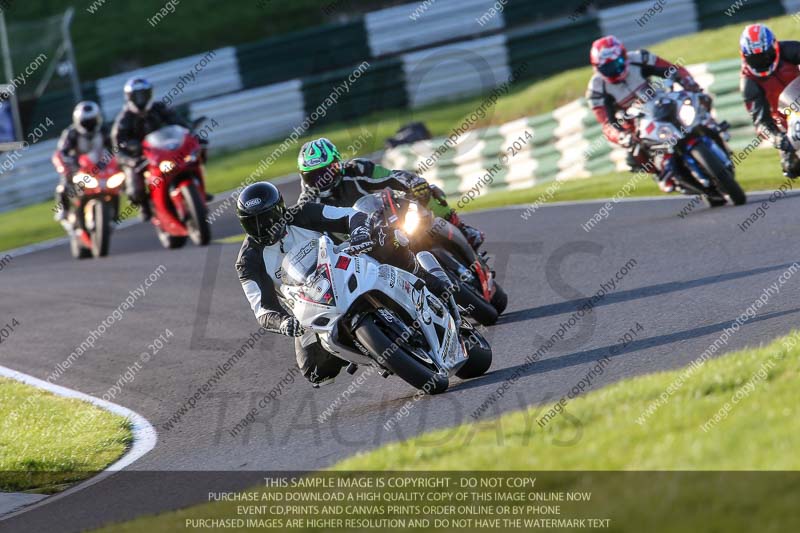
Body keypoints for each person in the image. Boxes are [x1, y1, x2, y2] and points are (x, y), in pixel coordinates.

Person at [235, 182, 451, 387]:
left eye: (267, 218)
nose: (263, 227)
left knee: (388, 237)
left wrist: (359, 233)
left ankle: (427, 278)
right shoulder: (248, 261)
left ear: (280, 210)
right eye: (253, 222)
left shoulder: (302, 213)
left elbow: (352, 215)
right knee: (315, 372)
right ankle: (369, 348)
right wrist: (283, 323)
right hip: (308, 303)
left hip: (341, 263)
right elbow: (262, 310)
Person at [296, 138, 485, 251]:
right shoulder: (307, 204)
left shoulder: (357, 169)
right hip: (362, 246)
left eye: (327, 170)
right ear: (304, 177)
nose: (323, 178)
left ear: (338, 163)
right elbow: (310, 241)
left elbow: (392, 176)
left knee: (426, 191)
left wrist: (413, 182)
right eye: (314, 176)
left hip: (389, 217)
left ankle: (464, 229)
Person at [587, 35, 702, 192]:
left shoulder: (640, 58)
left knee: (695, 100)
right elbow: (606, 123)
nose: (614, 71)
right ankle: (661, 173)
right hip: (635, 121)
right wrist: (621, 136)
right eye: (607, 68)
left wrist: (687, 82)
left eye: (618, 64)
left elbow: (673, 69)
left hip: (659, 101)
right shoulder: (596, 89)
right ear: (597, 68)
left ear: (624, 56)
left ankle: (712, 127)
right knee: (634, 151)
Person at [111, 77, 203, 221]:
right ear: (129, 97)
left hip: (162, 150)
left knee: (193, 155)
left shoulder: (159, 108)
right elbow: (117, 144)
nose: (141, 99)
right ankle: (145, 206)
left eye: (144, 94)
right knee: (135, 187)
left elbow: (178, 123)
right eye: (137, 96)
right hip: (139, 156)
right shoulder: (125, 118)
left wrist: (191, 134)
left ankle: (198, 191)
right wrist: (130, 157)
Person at [739, 24, 800, 178]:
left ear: (774, 47)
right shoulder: (749, 81)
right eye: (755, 58)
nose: (762, 62)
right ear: (744, 56)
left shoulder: (791, 50)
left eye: (765, 56)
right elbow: (760, 122)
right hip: (788, 123)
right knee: (791, 167)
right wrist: (778, 139)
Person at [52, 101, 112, 221]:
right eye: (86, 122)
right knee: (65, 185)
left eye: (92, 121)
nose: (89, 125)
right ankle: (64, 209)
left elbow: (114, 148)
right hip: (78, 168)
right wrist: (68, 165)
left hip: (100, 167)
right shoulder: (71, 133)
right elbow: (62, 152)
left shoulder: (104, 131)